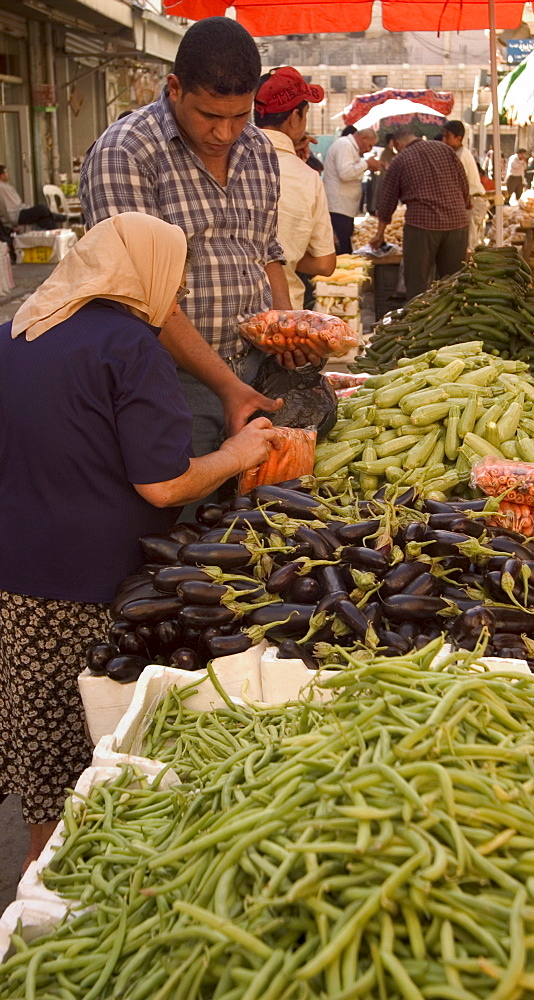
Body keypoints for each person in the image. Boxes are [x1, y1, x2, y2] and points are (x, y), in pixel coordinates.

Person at [0, 213, 279, 870]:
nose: (174, 294)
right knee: (99, 758)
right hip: (95, 587)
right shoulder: (130, 346)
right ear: (148, 272)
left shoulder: (16, 333)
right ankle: (74, 905)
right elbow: (164, 485)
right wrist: (239, 452)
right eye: (174, 278)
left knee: (44, 761)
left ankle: (41, 895)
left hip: (16, 585)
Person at [78, 17, 291, 507]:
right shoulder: (126, 152)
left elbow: (266, 252)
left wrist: (285, 328)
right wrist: (226, 387)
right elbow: (142, 296)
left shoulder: (258, 149)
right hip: (168, 382)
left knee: (256, 526)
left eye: (240, 115)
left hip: (253, 370)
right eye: (209, 115)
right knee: (179, 529)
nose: (225, 132)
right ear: (174, 88)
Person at [254, 66, 336, 310]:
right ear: (295, 117)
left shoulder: (229, 158)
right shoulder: (307, 178)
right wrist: (288, 260)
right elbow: (325, 264)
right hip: (284, 317)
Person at [370, 125, 470, 302]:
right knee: (454, 280)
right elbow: (463, 182)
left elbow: (386, 201)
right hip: (457, 223)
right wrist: (464, 207)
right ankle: (454, 320)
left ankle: (419, 321)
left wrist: (380, 234)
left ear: (399, 143)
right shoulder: (444, 149)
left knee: (417, 281)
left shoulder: (400, 160)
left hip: (422, 226)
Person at [323, 127, 381, 253]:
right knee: (341, 248)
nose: (368, 150)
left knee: (345, 245)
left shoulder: (350, 147)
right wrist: (366, 164)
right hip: (338, 208)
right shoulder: (345, 145)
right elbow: (345, 173)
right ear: (363, 138)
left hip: (345, 209)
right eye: (369, 146)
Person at [442, 120, 488, 250]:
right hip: (468, 202)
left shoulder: (461, 156)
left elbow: (455, 185)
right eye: (443, 136)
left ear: (458, 138)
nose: (444, 141)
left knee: (468, 247)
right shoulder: (456, 154)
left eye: (448, 137)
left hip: (472, 202)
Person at [0, 165, 65, 230]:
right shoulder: (1, 187)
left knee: (47, 220)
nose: (8, 174)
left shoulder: (6, 186)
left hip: (21, 210)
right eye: (6, 172)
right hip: (17, 215)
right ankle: (56, 217)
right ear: (1, 175)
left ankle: (56, 235)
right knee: (42, 209)